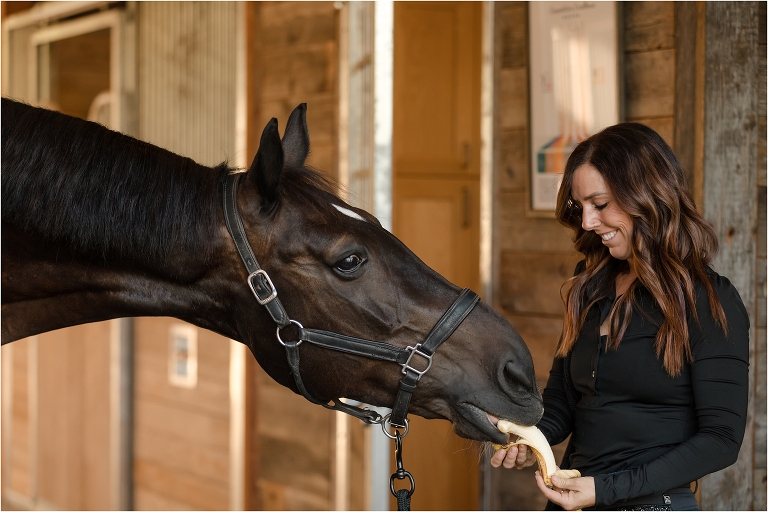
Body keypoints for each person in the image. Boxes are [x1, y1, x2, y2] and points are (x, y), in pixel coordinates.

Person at [490, 123, 750, 511]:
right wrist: (532, 441)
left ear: (647, 193)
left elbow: (721, 439)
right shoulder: (590, 283)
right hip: (572, 502)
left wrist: (606, 490)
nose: (588, 223)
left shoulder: (708, 300)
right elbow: (564, 401)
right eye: (582, 208)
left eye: (600, 204)